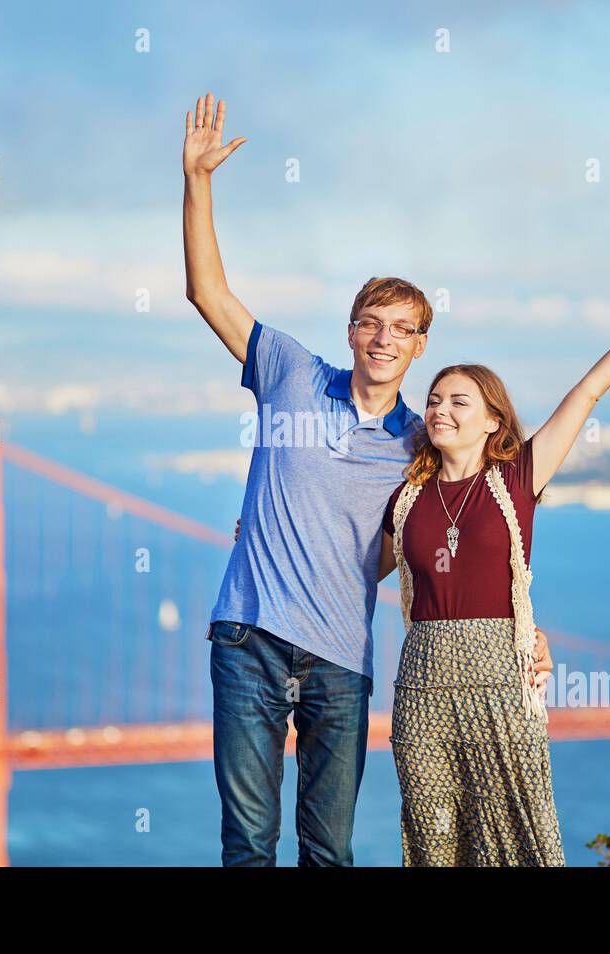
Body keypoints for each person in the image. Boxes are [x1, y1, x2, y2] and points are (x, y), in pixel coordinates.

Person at [183, 90, 556, 866]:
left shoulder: (425, 444)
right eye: (370, 324)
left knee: (330, 852)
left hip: (341, 662)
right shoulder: (289, 371)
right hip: (248, 637)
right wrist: (198, 181)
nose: (384, 340)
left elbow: (475, 530)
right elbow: (207, 294)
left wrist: (526, 630)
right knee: (248, 844)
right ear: (350, 331)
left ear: (421, 347)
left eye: (403, 331)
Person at [379, 276, 610, 866]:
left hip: (502, 678)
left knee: (521, 839)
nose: (440, 409)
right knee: (433, 845)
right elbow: (352, 566)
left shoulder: (518, 477)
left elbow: (589, 392)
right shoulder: (408, 496)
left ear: (493, 421)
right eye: (434, 399)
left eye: (459, 401)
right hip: (419, 690)